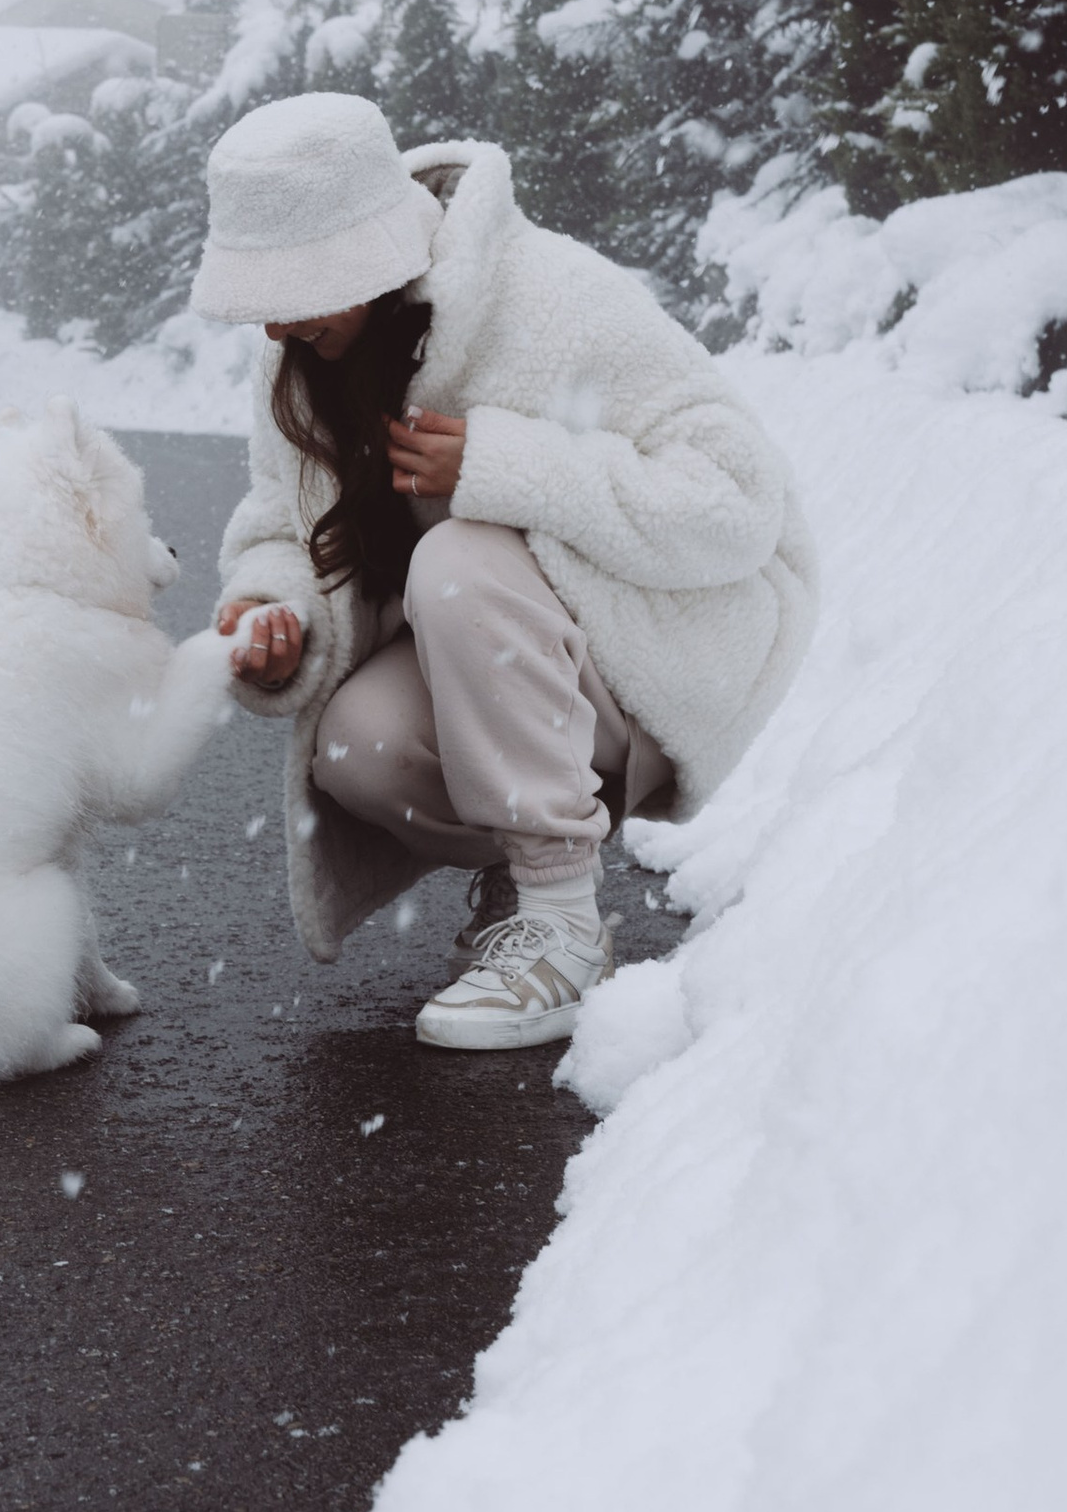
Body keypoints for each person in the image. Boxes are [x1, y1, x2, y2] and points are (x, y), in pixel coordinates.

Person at [193, 92, 817, 1050]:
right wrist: (276, 611)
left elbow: (738, 500)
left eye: (287, 292)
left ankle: (562, 931)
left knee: (457, 555)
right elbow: (285, 522)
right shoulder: (306, 355)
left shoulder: (553, 298)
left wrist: (499, 465)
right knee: (356, 747)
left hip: (664, 642)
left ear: (363, 258)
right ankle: (530, 868)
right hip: (514, 654)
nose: (270, 331)